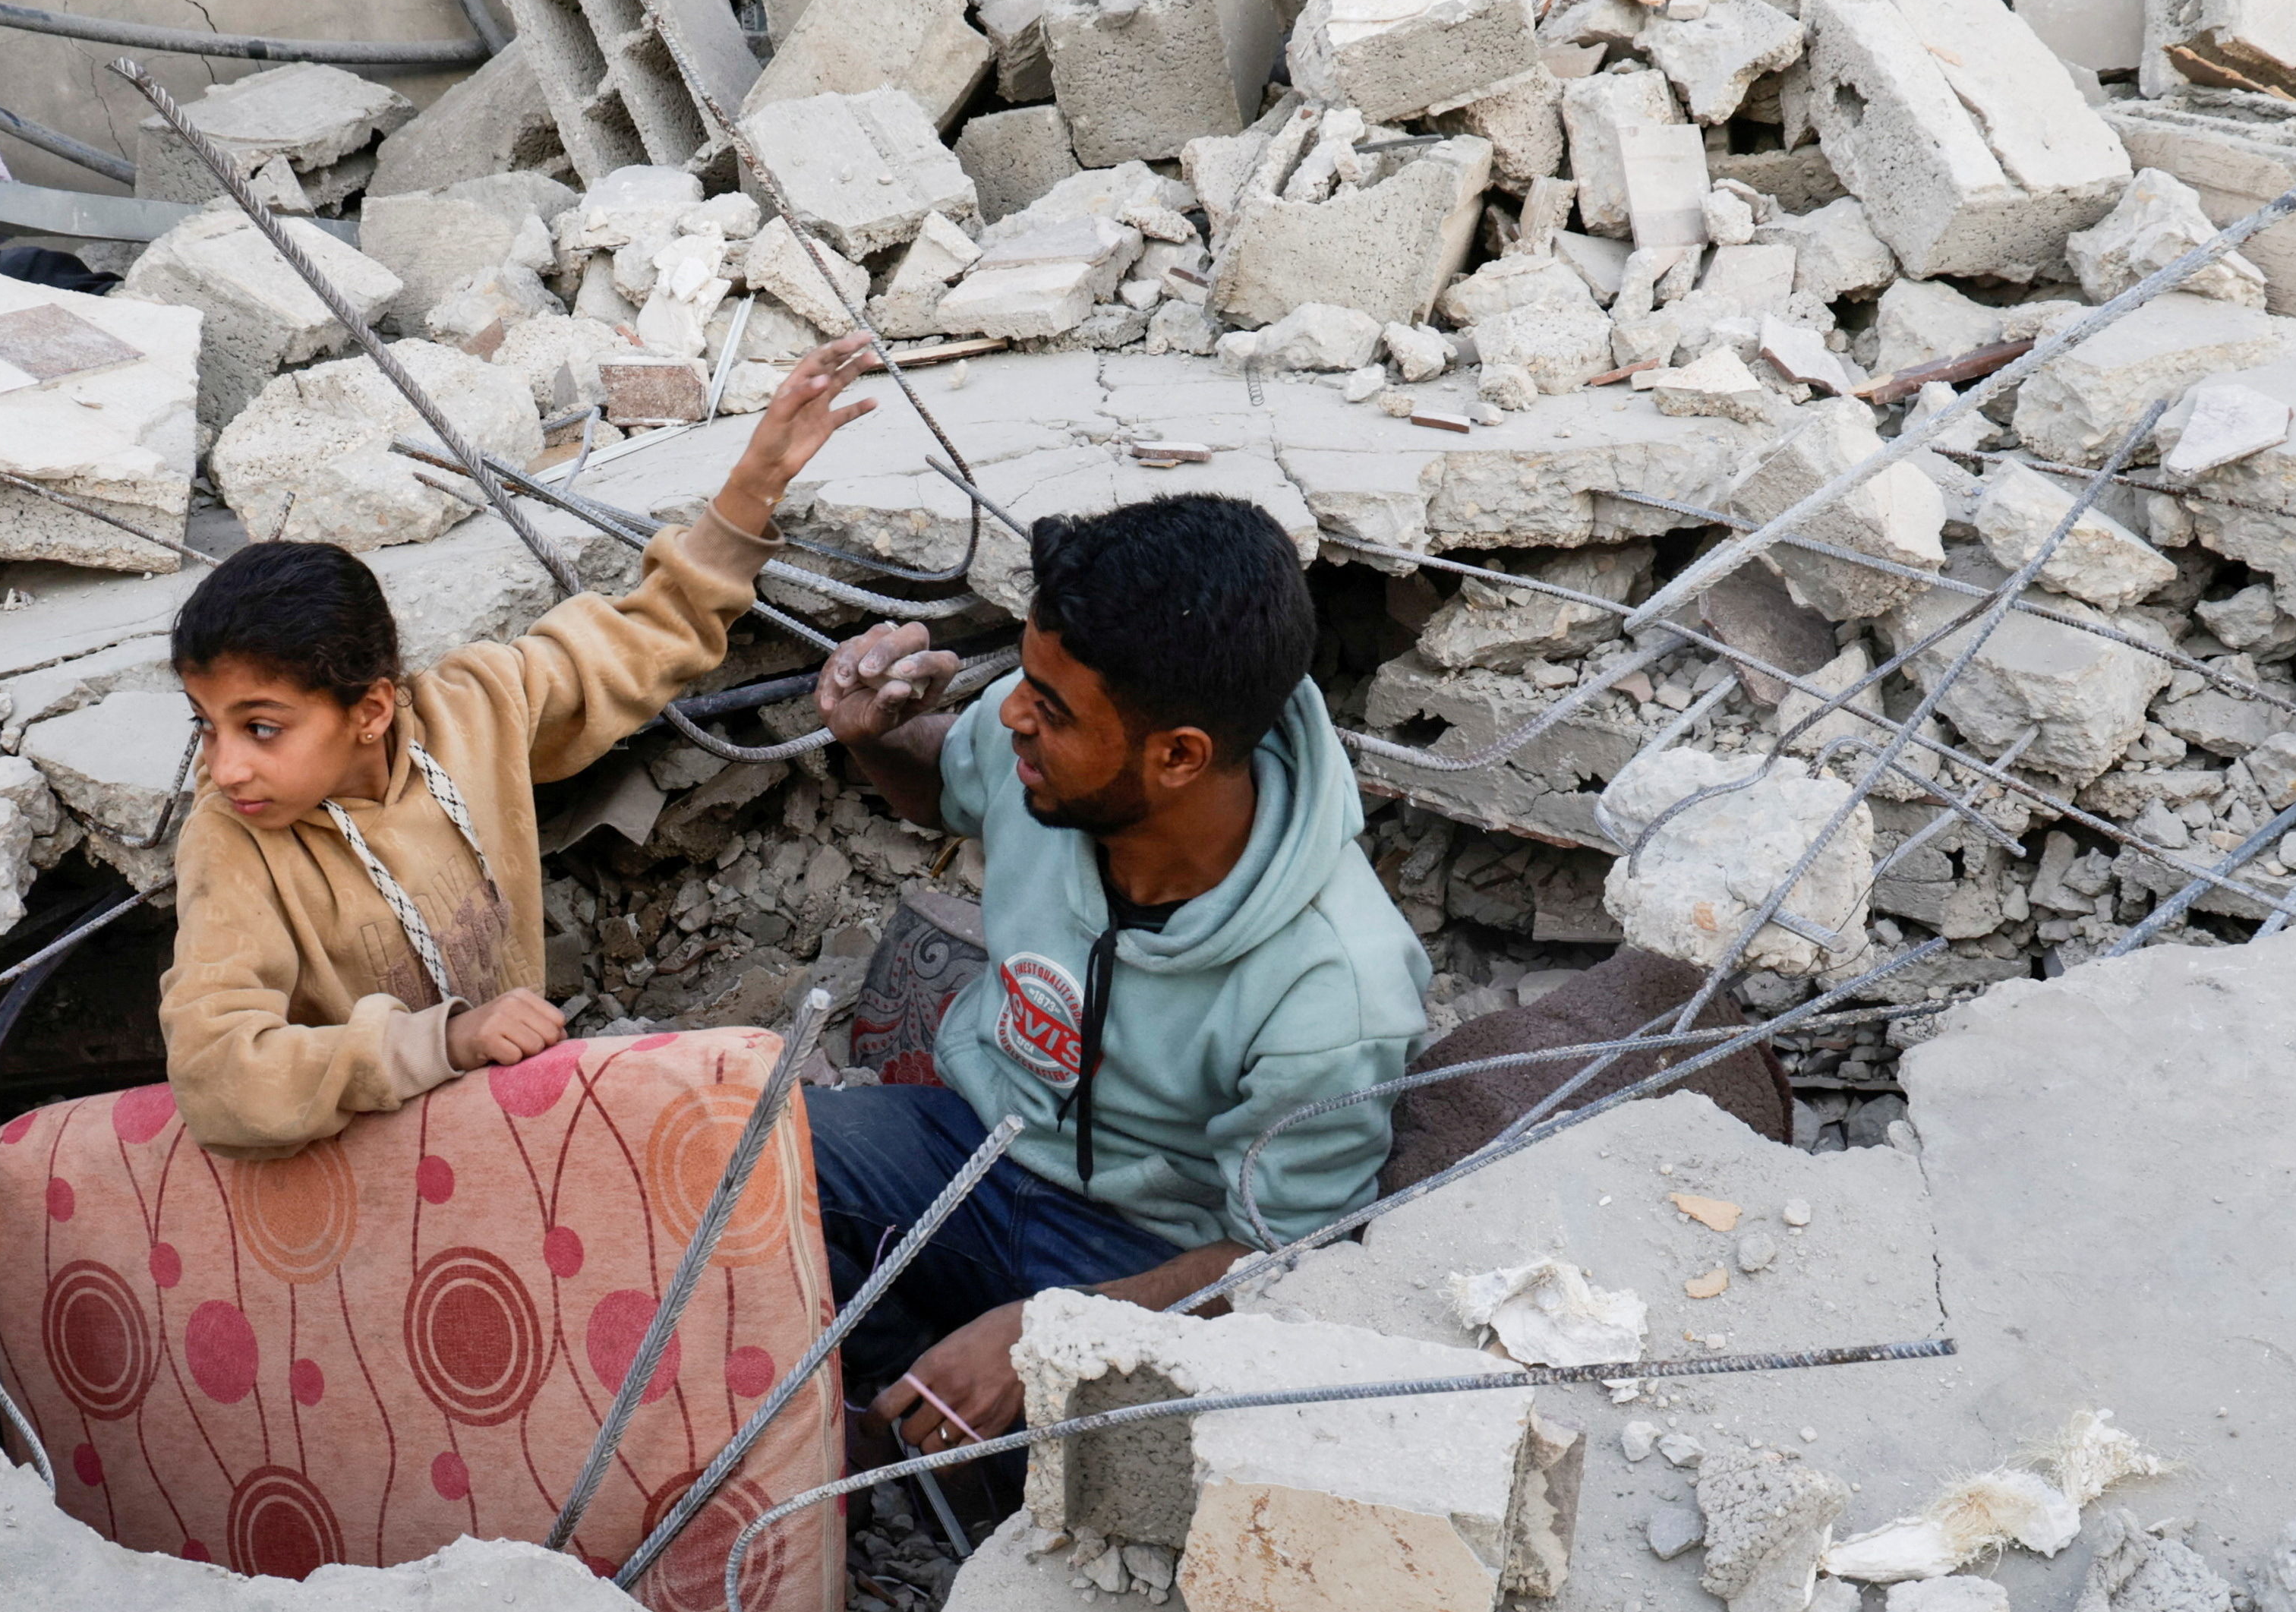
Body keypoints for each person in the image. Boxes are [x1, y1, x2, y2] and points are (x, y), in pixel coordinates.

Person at [804, 493, 1431, 1456]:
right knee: (755, 1168)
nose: (1010, 713)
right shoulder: (1043, 766)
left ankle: (978, 1452)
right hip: (976, 1140)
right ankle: (914, 1411)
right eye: (1024, 677)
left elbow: (1284, 1261)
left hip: (1150, 1246)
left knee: (1152, 1470)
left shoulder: (1335, 988)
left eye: (1049, 709)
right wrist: (874, 732)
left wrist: (1056, 1331)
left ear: (1179, 756)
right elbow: (949, 781)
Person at [159, 337, 879, 1154]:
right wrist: (446, 1042)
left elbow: (643, 639)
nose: (227, 767)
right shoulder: (233, 838)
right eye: (205, 725)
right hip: (375, 1161)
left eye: (260, 727)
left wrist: (754, 484)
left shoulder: (474, 710)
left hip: (519, 1104)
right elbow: (218, 1077)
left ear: (371, 710)